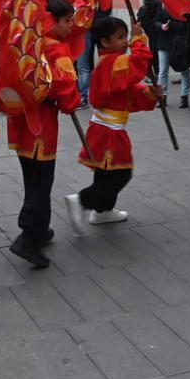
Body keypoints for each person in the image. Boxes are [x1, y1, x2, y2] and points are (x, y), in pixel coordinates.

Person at [5, 0, 83, 268]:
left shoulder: (28, 42)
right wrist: (73, 100)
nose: (71, 25)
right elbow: (67, 94)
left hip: (21, 125)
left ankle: (40, 229)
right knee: (41, 183)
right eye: (67, 20)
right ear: (52, 21)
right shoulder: (57, 50)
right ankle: (28, 236)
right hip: (42, 129)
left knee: (32, 178)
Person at [65, 17, 161, 230]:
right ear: (105, 41)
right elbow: (139, 65)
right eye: (120, 37)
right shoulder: (113, 62)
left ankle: (103, 211)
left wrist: (149, 93)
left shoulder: (111, 62)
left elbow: (126, 93)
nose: (125, 41)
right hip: (108, 131)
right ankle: (82, 201)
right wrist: (139, 40)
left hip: (106, 129)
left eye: (126, 37)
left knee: (106, 173)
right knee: (120, 173)